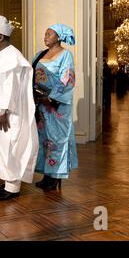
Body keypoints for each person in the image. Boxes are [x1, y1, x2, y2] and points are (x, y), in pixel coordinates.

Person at [0, 15, 39, 200]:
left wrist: (3, 111)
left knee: (9, 145)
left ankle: (12, 188)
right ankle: (7, 182)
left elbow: (11, 86)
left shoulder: (11, 56)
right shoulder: (1, 54)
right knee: (0, 146)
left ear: (1, 37)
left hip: (6, 112)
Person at [33, 24, 78, 190]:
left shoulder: (66, 55)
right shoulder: (40, 55)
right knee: (44, 139)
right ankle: (47, 174)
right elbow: (31, 75)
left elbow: (67, 79)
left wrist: (50, 97)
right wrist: (37, 96)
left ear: (58, 37)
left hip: (56, 106)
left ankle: (56, 176)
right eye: (45, 34)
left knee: (57, 140)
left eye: (49, 34)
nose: (45, 36)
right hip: (41, 105)